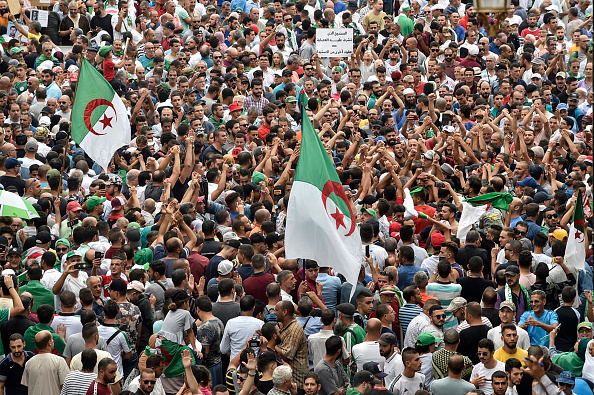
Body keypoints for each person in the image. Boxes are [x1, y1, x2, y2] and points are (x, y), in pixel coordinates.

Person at [21, 330, 70, 395]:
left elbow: (26, 385)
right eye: (52, 339)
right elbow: (66, 385)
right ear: (49, 342)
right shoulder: (59, 361)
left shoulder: (29, 363)